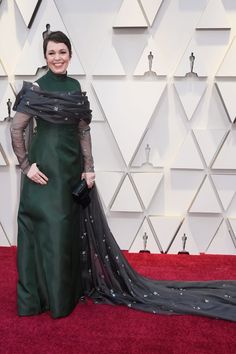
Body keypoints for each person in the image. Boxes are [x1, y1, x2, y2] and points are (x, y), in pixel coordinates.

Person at [11, 31, 236, 321]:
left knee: (66, 234)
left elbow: (82, 130)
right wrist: (26, 165)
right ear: (45, 56)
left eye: (62, 52)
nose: (57, 58)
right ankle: (40, 299)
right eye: (52, 53)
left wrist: (89, 167)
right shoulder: (36, 88)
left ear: (70, 55)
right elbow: (16, 129)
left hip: (70, 172)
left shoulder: (76, 86)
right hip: (43, 176)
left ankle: (63, 296)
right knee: (48, 235)